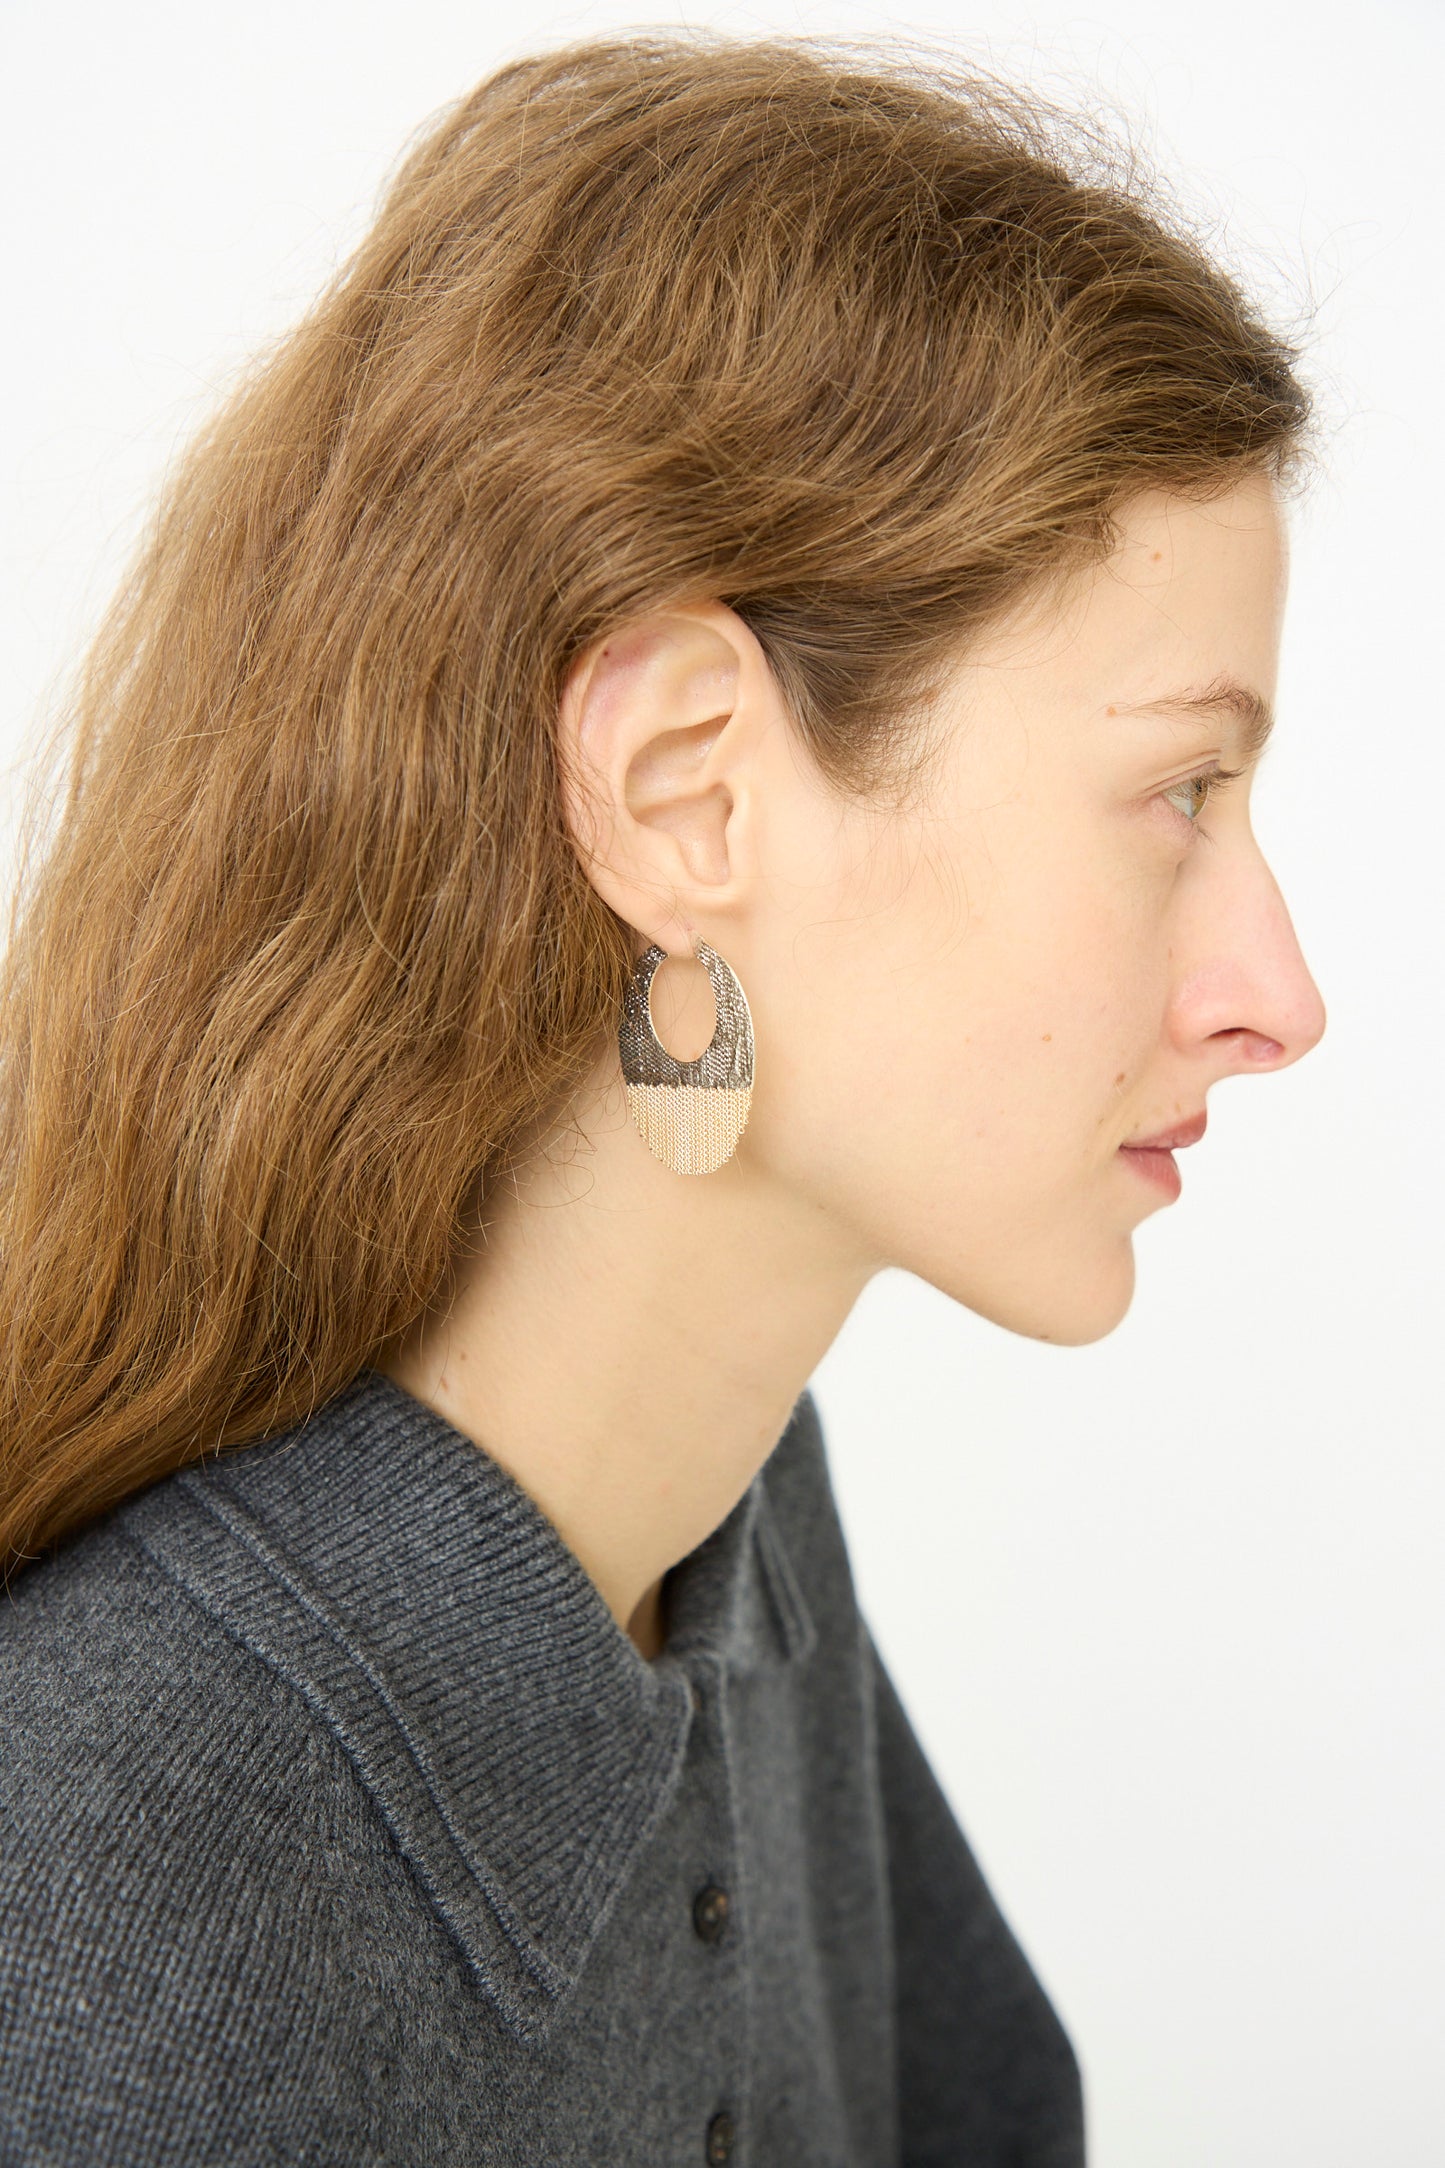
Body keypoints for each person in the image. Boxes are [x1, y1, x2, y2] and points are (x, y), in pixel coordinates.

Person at [0, 29, 1325, 2166]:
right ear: (683, 785)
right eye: (1177, 791)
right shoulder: (94, 1879)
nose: (1280, 996)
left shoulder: (733, 1522)